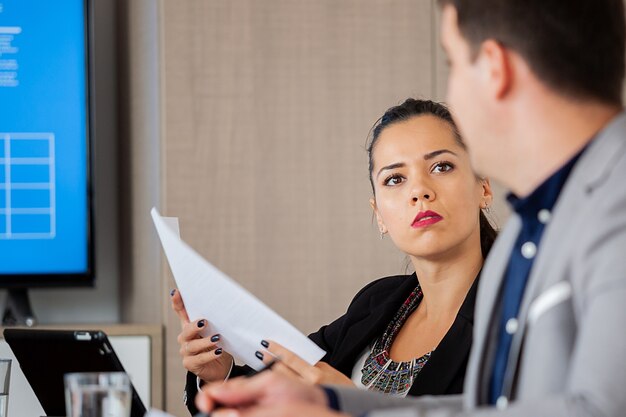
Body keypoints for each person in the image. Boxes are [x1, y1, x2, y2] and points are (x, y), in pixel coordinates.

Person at [193, 0, 626, 416]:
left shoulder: (609, 205)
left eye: (453, 64)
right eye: (395, 179)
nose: (420, 191)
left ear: (495, 69)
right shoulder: (529, 231)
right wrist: (334, 403)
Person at [171, 98, 497, 414]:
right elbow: (282, 383)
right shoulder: (376, 302)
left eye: (441, 166)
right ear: (379, 215)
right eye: (395, 179)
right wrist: (221, 374)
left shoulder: (518, 315)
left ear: (483, 186)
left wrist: (354, 407)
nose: (420, 191)